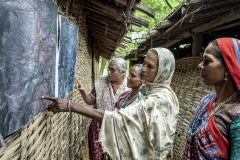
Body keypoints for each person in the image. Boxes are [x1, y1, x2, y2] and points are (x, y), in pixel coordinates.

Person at [42, 47, 179, 159]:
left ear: (163, 72)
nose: (143, 69)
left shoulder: (159, 99)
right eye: (144, 63)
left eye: (150, 66)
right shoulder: (145, 90)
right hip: (100, 126)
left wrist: (70, 105)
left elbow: (118, 118)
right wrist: (83, 93)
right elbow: (92, 100)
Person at [183, 38, 240, 159]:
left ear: (227, 68)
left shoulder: (236, 116)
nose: (200, 65)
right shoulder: (206, 101)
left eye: (207, 61)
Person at [75, 58, 130, 160]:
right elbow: (91, 101)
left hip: (118, 129)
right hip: (98, 127)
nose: (109, 72)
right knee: (97, 156)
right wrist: (83, 91)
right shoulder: (101, 82)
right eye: (108, 69)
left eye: (112, 70)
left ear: (123, 72)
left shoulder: (130, 87)